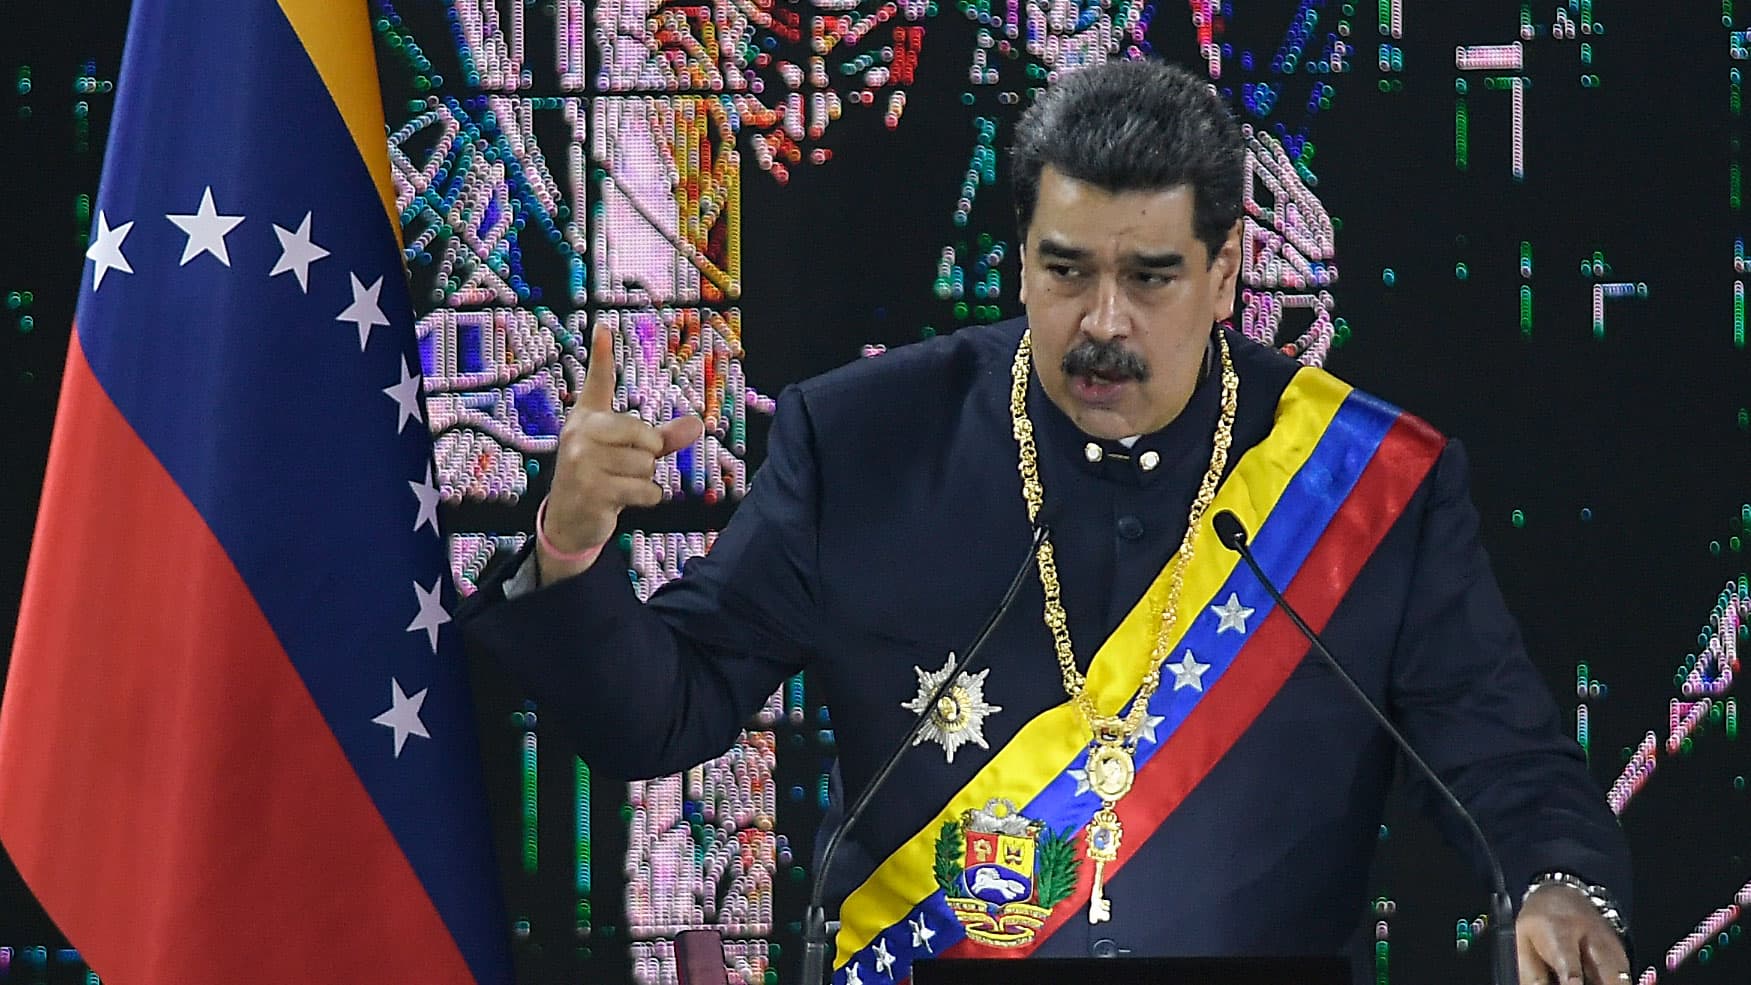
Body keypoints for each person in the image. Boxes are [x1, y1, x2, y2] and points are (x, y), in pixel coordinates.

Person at [461, 58, 1634, 985]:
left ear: (1226, 272)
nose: (1101, 322)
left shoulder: (1366, 485)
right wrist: (568, 549)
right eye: (1064, 270)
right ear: (1018, 260)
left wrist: (1557, 887)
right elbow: (662, 715)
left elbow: (1505, 763)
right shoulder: (861, 442)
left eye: (1152, 276)